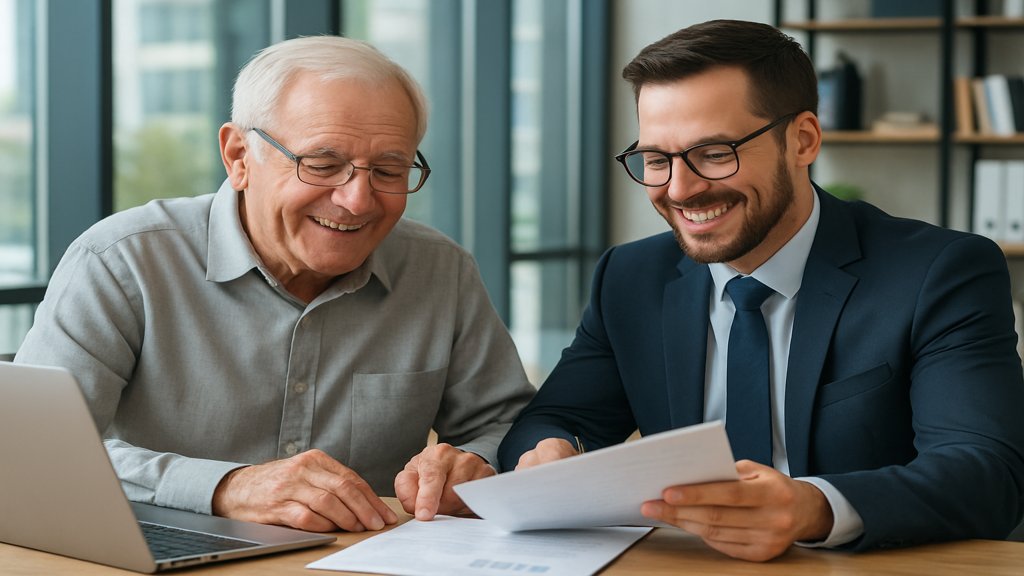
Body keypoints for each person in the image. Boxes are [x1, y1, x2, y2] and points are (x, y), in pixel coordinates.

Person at [498, 19, 1024, 561]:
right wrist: (556, 454)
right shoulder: (630, 277)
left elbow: (985, 473)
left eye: (715, 152)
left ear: (803, 141)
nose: (680, 189)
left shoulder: (939, 271)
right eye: (657, 160)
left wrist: (816, 507)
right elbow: (553, 422)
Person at [15, 36, 535, 534]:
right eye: (323, 165)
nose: (358, 200)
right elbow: (33, 452)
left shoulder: (440, 269)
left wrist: (472, 462)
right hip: (161, 552)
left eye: (387, 170)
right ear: (239, 156)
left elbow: (508, 425)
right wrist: (223, 488)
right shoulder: (121, 261)